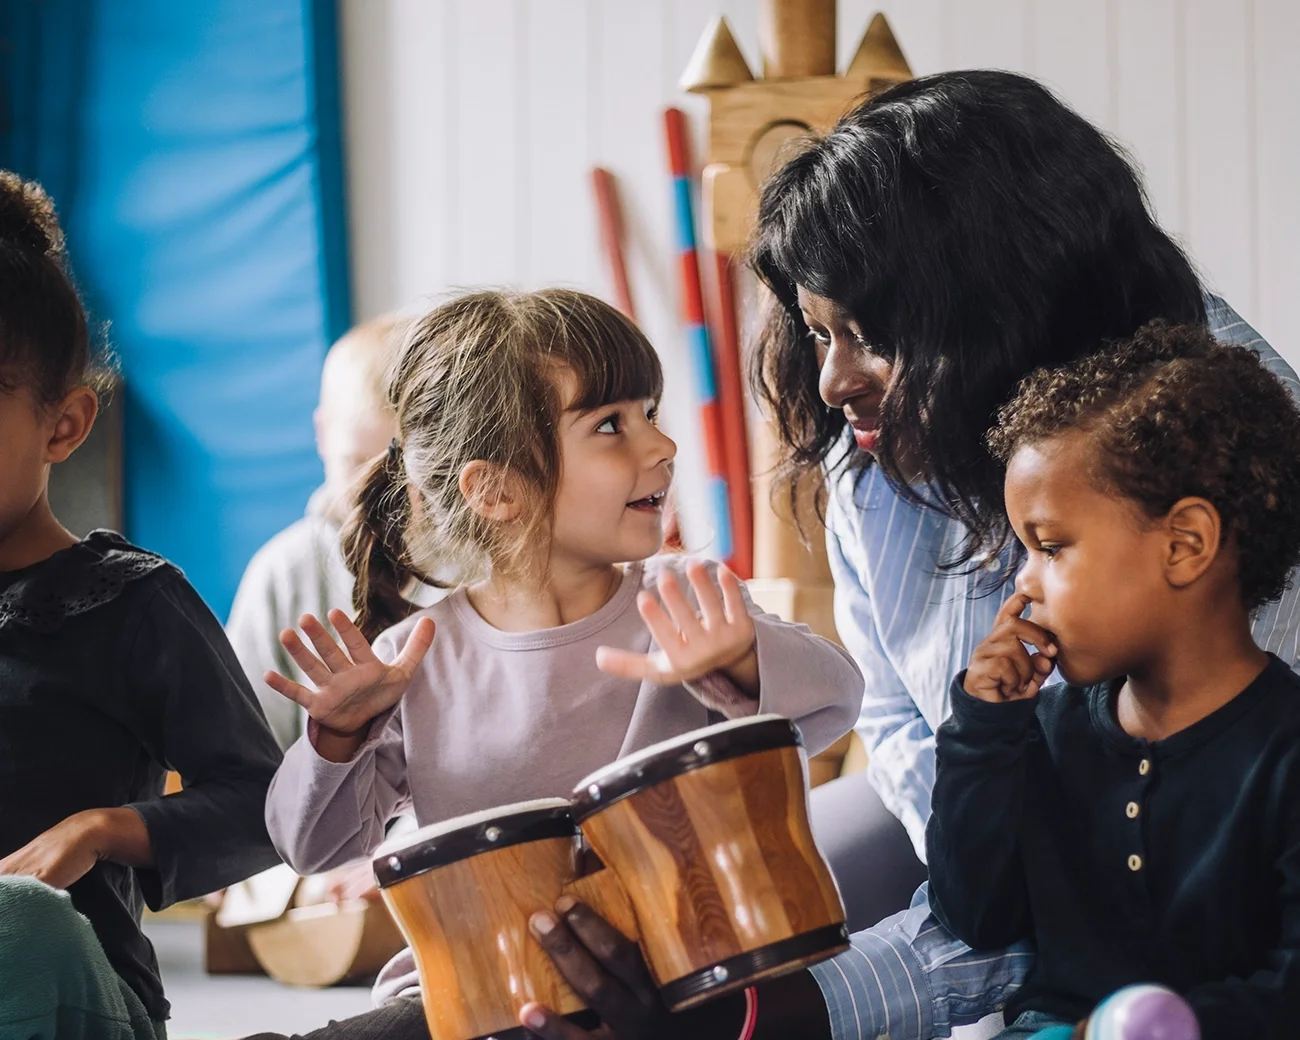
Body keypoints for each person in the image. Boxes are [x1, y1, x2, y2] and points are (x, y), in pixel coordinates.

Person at [516, 70, 1300, 1040]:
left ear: (998, 309)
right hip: (982, 839)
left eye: (870, 335)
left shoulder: (1224, 456)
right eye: (815, 332)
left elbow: (1129, 895)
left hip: (1177, 897)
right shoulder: (874, 455)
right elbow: (918, 769)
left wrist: (767, 1017)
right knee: (678, 941)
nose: (834, 378)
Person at [245, 287, 863, 1038]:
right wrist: (335, 739)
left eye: (651, 414)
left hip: (685, 981)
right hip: (487, 997)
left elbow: (836, 701)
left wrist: (738, 659)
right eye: (611, 425)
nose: (661, 447)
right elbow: (309, 846)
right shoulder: (417, 660)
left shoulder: (682, 599)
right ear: (498, 489)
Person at [928, 323, 1300, 1037]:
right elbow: (975, 913)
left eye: (1051, 546)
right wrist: (982, 729)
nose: (1024, 581)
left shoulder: (1285, 752)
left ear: (1185, 545)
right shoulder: (1046, 727)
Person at [0, 173, 283, 1038]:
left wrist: (100, 829)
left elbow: (261, 806)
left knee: (23, 922)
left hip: (69, 987)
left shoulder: (131, 602)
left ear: (65, 425)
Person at [227, 314, 408, 752]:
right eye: (355, 462)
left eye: (398, 469)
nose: (376, 493)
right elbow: (246, 746)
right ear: (323, 436)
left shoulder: (468, 559)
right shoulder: (282, 573)